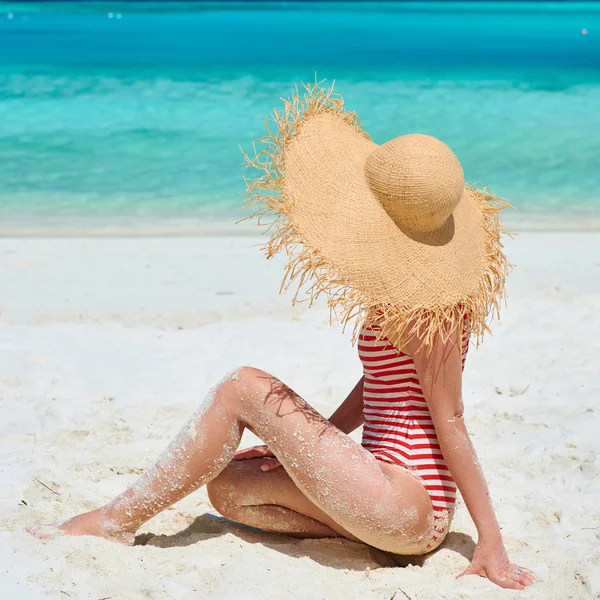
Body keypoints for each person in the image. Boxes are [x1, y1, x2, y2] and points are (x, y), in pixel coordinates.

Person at [28, 82, 534, 590]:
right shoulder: (404, 291)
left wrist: (491, 541)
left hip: (410, 503)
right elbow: (381, 384)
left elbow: (451, 419)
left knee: (243, 385)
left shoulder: (436, 310)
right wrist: (312, 445)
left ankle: (115, 521)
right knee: (228, 487)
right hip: (380, 495)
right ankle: (367, 539)